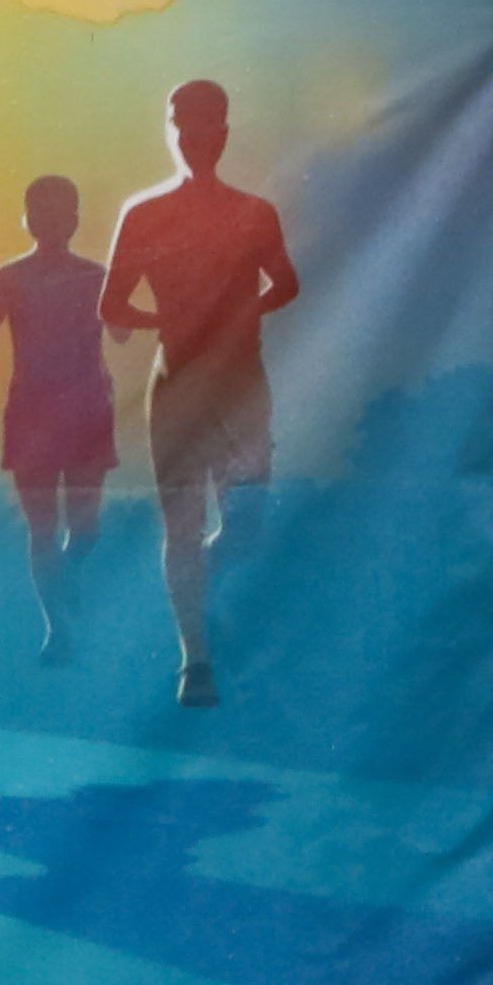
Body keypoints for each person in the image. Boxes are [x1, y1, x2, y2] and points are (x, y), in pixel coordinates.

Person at [98, 81, 304, 710]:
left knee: (246, 525)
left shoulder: (253, 213)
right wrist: (168, 319)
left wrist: (244, 311)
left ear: (224, 135)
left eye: (207, 128)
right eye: (184, 128)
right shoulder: (144, 214)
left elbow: (286, 282)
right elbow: (111, 305)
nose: (195, 140)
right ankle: (196, 659)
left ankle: (199, 582)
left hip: (241, 384)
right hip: (178, 385)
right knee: (181, 524)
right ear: (171, 134)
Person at [0, 172, 119, 662]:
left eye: (57, 214)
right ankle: (56, 628)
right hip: (37, 411)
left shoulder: (96, 276)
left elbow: (124, 332)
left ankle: (63, 582)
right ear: (28, 220)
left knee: (82, 531)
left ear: (74, 221)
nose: (50, 223)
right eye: (42, 213)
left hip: (83, 409)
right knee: (46, 529)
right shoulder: (12, 277)